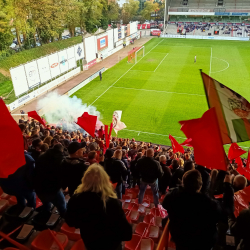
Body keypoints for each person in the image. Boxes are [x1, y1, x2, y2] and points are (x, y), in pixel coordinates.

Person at [65, 164, 132, 250]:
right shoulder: (112, 203)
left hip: (89, 241)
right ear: (105, 181)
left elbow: (70, 222)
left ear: (84, 180)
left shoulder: (76, 199)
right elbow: (126, 234)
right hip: (111, 244)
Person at [162, 170, 234, 250]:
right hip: (202, 244)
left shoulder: (173, 196)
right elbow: (227, 209)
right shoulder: (208, 203)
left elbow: (165, 204)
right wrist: (228, 185)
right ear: (200, 185)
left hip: (180, 239)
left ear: (183, 182)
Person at [33, 144, 66, 216]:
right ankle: (63, 217)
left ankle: (46, 215)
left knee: (46, 203)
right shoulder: (61, 161)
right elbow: (61, 176)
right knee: (62, 207)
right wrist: (63, 186)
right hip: (53, 190)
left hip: (39, 188)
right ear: (61, 151)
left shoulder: (41, 157)